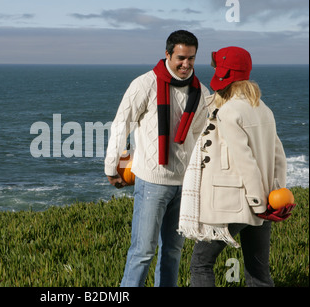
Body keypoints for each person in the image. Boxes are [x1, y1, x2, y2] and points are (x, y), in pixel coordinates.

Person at [178, 46, 291, 287]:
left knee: (200, 263)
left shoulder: (229, 111)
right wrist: (273, 196)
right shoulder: (263, 109)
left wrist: (258, 203)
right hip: (263, 201)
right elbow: (278, 156)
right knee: (258, 273)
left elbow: (244, 160)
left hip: (232, 202)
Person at [104, 30, 210, 287]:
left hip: (185, 185)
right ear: (167, 55)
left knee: (173, 252)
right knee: (142, 252)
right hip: (152, 181)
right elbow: (121, 125)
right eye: (181, 58)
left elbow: (204, 139)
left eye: (192, 59)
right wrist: (111, 167)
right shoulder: (144, 84)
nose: (186, 64)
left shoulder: (202, 92)